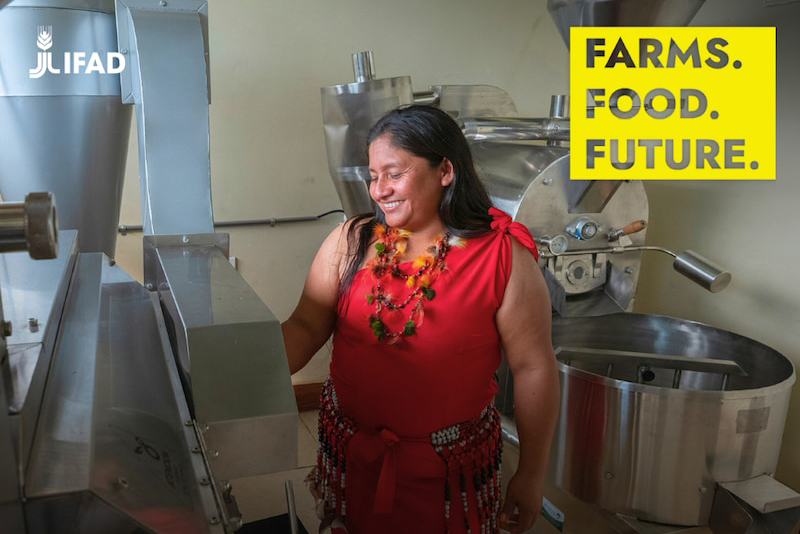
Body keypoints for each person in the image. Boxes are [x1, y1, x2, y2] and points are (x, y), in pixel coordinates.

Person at [282, 105, 559, 534]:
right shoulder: (350, 241)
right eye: (373, 176)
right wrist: (240, 373)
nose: (379, 190)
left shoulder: (502, 258)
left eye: (394, 174)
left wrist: (531, 473)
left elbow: (533, 367)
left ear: (445, 170)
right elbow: (304, 327)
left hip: (448, 476)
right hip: (354, 460)